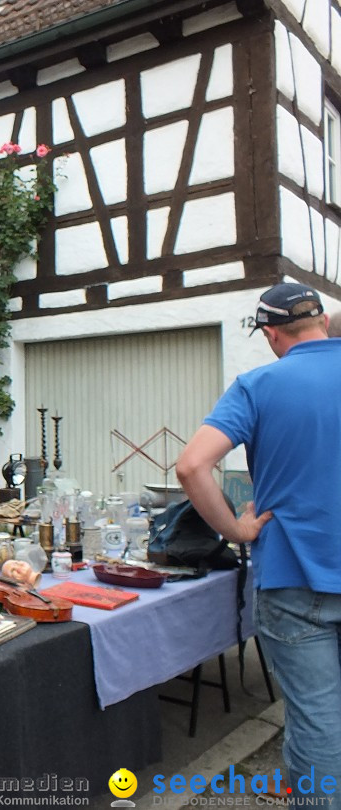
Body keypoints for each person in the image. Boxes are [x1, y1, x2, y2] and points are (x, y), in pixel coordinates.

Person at [175, 283, 341, 806]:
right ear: (321, 322)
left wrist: (235, 529)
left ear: (270, 333)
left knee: (317, 717)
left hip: (295, 578)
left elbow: (191, 465)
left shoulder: (258, 384)